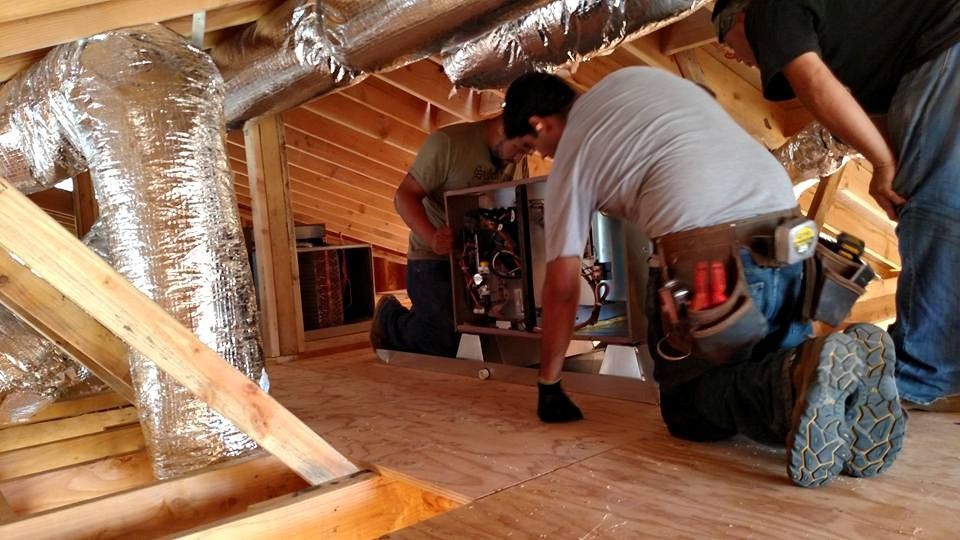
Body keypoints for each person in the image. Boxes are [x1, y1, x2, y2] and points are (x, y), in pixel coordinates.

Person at [502, 67, 905, 487]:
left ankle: (801, 375)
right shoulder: (635, 77)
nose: (545, 155)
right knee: (783, 372)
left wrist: (549, 384)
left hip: (714, 258)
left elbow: (562, 288)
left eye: (536, 145)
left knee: (690, 409)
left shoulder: (573, 149)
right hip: (791, 237)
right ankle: (843, 391)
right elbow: (704, 96)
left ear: (540, 123)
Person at [711, 0, 960, 410]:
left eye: (725, 38)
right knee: (930, 204)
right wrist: (893, 172)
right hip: (936, 57)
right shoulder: (863, 43)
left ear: (739, 16)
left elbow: (811, 81)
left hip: (946, 52)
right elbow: (871, 115)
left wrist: (886, 166)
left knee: (935, 212)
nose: (730, 54)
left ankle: (916, 376)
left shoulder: (766, 9)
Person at [371, 116, 525, 358]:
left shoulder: (508, 155)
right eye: (519, 149)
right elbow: (404, 196)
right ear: (504, 127)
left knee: (482, 330)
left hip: (474, 258)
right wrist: (433, 238)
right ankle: (389, 318)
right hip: (431, 258)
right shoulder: (447, 144)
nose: (518, 159)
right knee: (442, 341)